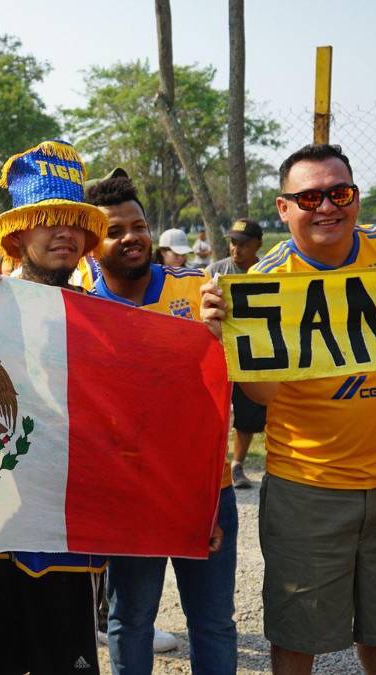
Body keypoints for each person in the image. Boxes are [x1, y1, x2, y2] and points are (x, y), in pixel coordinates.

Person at [201, 144, 376, 675]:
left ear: (356, 197)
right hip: (308, 487)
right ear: (284, 209)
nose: (326, 206)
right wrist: (229, 334)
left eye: (338, 193)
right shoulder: (263, 283)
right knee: (298, 638)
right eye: (309, 197)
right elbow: (262, 396)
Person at [0, 140, 108, 675]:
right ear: (16, 234)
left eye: (73, 221)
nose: (63, 232)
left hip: (65, 532)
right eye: (46, 220)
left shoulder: (107, 320)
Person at [85, 172, 236, 674]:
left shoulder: (198, 291)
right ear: (90, 246)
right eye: (116, 230)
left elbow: (235, 374)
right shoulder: (76, 306)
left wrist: (220, 334)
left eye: (140, 225)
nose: (132, 237)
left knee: (211, 620)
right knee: (130, 619)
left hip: (203, 486)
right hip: (129, 489)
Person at [206, 218, 266, 489]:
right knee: (213, 410)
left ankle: (238, 464)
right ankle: (214, 464)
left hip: (252, 351)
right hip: (218, 351)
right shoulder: (215, 270)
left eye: (243, 244)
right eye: (233, 243)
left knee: (249, 414)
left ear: (258, 245)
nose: (236, 249)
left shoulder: (268, 271)